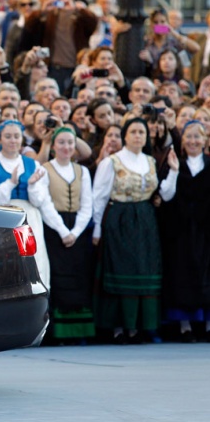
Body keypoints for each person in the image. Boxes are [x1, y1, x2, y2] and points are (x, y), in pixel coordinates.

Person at [92, 117, 179, 344]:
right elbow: (99, 198)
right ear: (125, 135)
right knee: (120, 267)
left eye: (142, 132)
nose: (138, 135)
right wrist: (97, 230)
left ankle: (138, 327)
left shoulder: (150, 161)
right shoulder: (111, 162)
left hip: (145, 221)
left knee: (143, 270)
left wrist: (174, 171)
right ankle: (119, 327)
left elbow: (165, 195)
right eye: (134, 131)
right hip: (119, 219)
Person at [0, 119, 51, 289]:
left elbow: (40, 200)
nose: (12, 140)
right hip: (1, 217)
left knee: (31, 259)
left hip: (28, 218)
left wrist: (31, 185)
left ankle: (35, 294)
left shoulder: (33, 164)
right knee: (4, 259)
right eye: (8, 136)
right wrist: (10, 182)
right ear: (0, 138)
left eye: (16, 136)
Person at [39, 127, 94, 343]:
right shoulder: (45, 169)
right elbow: (45, 204)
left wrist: (76, 232)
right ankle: (58, 334)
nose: (66, 147)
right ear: (53, 145)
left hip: (77, 229)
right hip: (54, 229)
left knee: (79, 276)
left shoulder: (82, 171)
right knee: (59, 277)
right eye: (61, 142)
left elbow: (87, 205)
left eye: (70, 143)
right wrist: (63, 231)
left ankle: (79, 333)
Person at [161, 121, 210, 343]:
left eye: (197, 137)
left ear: (205, 141)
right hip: (180, 231)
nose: (193, 141)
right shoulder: (175, 164)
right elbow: (166, 195)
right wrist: (172, 171)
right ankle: (185, 326)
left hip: (206, 230)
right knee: (182, 274)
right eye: (188, 137)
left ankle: (207, 324)